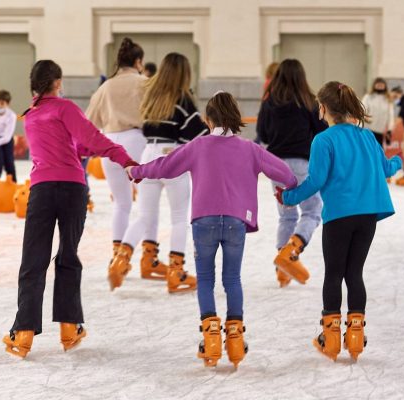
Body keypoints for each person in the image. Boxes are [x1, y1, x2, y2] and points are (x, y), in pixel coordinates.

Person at [126, 92, 297, 369]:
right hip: (236, 222)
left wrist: (137, 172)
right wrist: (287, 190)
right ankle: (235, 339)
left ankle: (212, 337)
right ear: (236, 117)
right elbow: (285, 173)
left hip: (203, 221)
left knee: (205, 279)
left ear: (207, 119)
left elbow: (165, 166)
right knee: (232, 279)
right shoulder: (250, 149)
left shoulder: (198, 146)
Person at [1, 60, 136, 359]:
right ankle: (69, 326)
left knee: (33, 259)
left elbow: (72, 146)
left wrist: (94, 149)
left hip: (43, 191)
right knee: (68, 256)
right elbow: (90, 139)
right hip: (73, 190)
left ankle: (22, 333)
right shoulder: (65, 109)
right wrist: (124, 158)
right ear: (57, 82)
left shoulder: (32, 115)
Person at [278, 82, 401, 362]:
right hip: (368, 214)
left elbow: (317, 180)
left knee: (334, 273)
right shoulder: (368, 136)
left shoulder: (324, 140)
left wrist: (290, 196)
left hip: (340, 216)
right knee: (354, 273)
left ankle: (331, 338)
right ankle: (355, 337)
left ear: (323, 108)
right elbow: (386, 168)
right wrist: (398, 163)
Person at [107, 52, 208, 293]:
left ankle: (121, 260)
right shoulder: (183, 100)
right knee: (179, 217)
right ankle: (176, 271)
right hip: (173, 158)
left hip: (148, 156)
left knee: (143, 216)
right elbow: (196, 135)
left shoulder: (150, 97)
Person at [257, 59, 327, 288]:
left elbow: (262, 134)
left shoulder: (269, 103)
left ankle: (282, 270)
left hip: (275, 165)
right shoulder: (309, 102)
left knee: (286, 215)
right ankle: (291, 251)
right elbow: (322, 132)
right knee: (313, 210)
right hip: (301, 165)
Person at [86, 37, 150, 264]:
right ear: (138, 61)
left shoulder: (105, 86)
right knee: (147, 203)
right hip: (137, 141)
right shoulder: (144, 83)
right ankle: (143, 255)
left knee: (121, 204)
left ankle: (116, 252)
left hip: (109, 143)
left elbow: (89, 122)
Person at [362, 77, 395, 147]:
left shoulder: (388, 99)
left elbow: (390, 116)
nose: (380, 85)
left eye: (382, 84)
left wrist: (389, 130)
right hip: (368, 130)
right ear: (374, 85)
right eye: (378, 84)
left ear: (385, 86)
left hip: (380, 131)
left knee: (379, 153)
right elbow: (362, 110)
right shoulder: (368, 97)